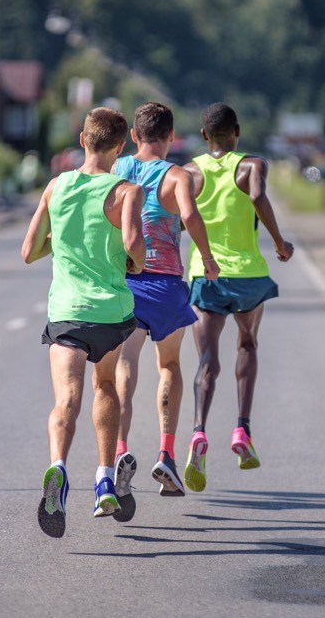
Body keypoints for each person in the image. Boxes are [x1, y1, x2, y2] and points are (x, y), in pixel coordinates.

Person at [21, 107, 146, 538]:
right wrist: (136, 262)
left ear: (82, 140)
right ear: (121, 147)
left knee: (66, 399)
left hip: (66, 312)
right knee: (105, 386)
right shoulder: (126, 191)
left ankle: (57, 467)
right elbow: (133, 242)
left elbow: (29, 251)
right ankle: (105, 481)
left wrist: (61, 241)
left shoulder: (56, 187)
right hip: (109, 312)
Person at [110, 102, 220, 521]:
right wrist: (207, 258)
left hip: (126, 282)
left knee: (124, 365)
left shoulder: (118, 170)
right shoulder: (176, 176)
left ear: (134, 136)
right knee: (169, 365)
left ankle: (120, 451)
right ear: (171, 136)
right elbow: (189, 215)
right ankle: (166, 454)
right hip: (167, 284)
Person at [181, 102, 294, 493]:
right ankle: (242, 430)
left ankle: (198, 431)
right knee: (247, 343)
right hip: (247, 275)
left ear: (204, 135)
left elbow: (180, 219)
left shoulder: (189, 172)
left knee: (206, 359)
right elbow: (259, 198)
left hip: (206, 274)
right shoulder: (252, 165)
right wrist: (279, 243)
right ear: (238, 131)